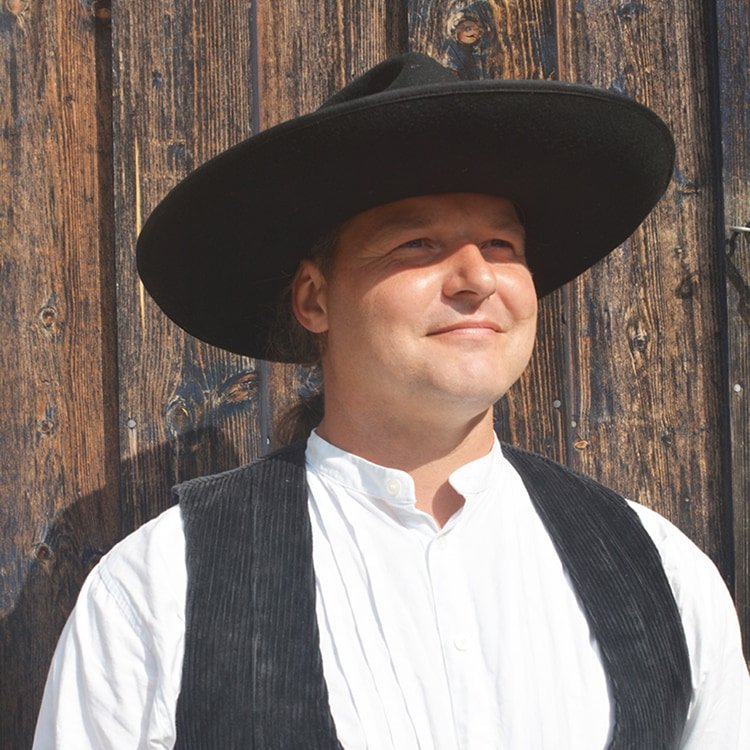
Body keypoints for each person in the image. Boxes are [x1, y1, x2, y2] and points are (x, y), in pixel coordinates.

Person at [34, 52, 749, 749]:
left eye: (501, 244)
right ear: (315, 299)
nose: (476, 278)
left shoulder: (662, 575)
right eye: (417, 244)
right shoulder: (161, 588)